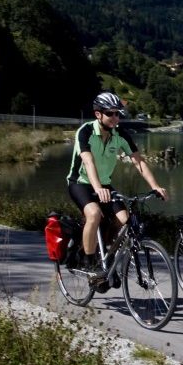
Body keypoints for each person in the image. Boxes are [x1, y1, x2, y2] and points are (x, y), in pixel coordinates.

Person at [66, 92, 169, 292]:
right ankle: (90, 263)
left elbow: (139, 162)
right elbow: (88, 161)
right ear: (98, 114)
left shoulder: (120, 134)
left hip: (104, 184)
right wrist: (97, 188)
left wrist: (155, 186)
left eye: (118, 114)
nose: (115, 118)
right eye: (110, 114)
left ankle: (107, 252)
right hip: (81, 183)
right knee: (94, 214)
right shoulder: (85, 131)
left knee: (124, 220)